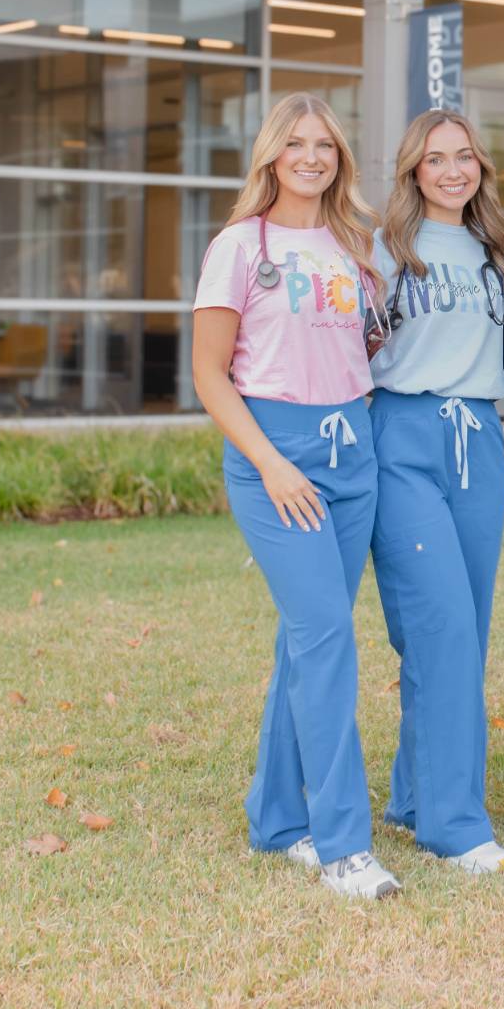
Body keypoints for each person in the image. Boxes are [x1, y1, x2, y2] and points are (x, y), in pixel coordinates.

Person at [190, 92, 398, 900]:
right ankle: (342, 841)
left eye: (325, 145)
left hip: (355, 452)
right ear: (272, 154)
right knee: (325, 638)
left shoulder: (355, 245)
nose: (312, 156)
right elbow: (210, 372)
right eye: (296, 143)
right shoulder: (240, 247)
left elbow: (367, 342)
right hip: (277, 458)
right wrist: (272, 462)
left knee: (305, 644)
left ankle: (277, 819)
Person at [365, 109, 504, 876]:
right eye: (435, 159)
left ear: (480, 168)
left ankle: (415, 795)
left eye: (464, 157)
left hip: (479, 443)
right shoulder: (385, 250)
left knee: (466, 633)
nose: (452, 170)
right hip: (405, 436)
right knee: (441, 625)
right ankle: (455, 825)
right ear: (413, 171)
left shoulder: (498, 255)